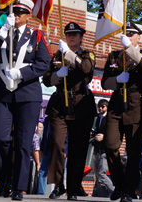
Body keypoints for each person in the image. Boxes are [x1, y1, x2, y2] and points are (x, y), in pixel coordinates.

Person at [0, 0, 51, 201]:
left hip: (27, 95)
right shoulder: (4, 33)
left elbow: (44, 64)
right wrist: (1, 33)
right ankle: (6, 176)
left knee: (24, 143)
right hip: (4, 94)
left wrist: (23, 73)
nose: (15, 16)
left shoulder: (36, 36)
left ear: (28, 16)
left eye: (19, 13)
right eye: (13, 12)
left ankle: (18, 186)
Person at [102, 21, 142, 202]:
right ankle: (119, 183)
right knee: (110, 145)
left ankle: (128, 190)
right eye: (126, 34)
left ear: (138, 37)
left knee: (133, 151)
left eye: (132, 34)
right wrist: (117, 79)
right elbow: (104, 82)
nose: (128, 37)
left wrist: (129, 49)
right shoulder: (114, 56)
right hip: (117, 103)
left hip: (136, 104)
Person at [43, 22, 97, 200]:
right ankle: (58, 185)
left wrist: (69, 54)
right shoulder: (57, 56)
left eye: (75, 34)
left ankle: (73, 188)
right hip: (59, 103)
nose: (71, 36)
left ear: (81, 37)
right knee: (57, 144)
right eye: (68, 34)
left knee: (77, 148)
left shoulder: (87, 54)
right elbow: (46, 80)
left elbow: (86, 69)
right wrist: (57, 76)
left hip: (81, 104)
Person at [92, 99, 115, 198]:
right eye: (99, 106)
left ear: (107, 107)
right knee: (98, 176)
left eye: (103, 106)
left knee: (101, 173)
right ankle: (101, 197)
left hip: (105, 150)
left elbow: (112, 133)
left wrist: (103, 137)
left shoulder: (110, 118)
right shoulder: (97, 118)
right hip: (97, 149)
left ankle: (115, 191)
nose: (100, 108)